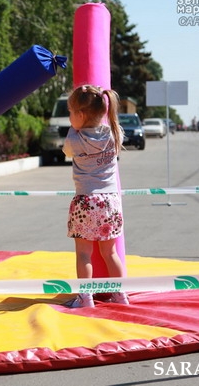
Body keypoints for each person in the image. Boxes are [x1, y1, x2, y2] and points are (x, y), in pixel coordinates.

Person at [62, 85, 128, 308]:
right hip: (110, 201)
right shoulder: (114, 134)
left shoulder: (74, 139)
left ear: (80, 115)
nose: (69, 117)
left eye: (70, 112)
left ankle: (85, 297)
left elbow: (66, 152)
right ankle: (120, 294)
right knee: (111, 253)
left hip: (86, 201)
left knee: (84, 254)